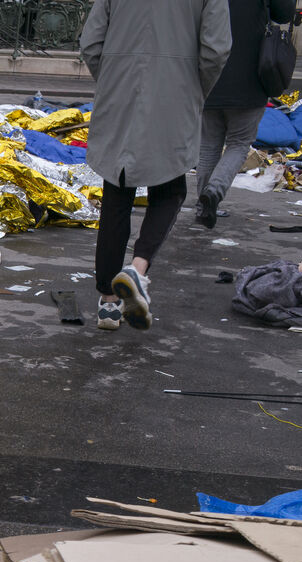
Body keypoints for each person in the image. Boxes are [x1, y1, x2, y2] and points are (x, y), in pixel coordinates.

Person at [80, 0, 231, 331]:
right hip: (175, 90)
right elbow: (216, 50)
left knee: (117, 189)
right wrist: (194, 91)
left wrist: (112, 79)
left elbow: (90, 43)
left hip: (119, 89)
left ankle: (108, 301)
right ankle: (137, 268)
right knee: (170, 188)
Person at [196, 0, 293, 228]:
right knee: (239, 143)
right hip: (250, 80)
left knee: (208, 145)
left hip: (210, 76)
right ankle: (213, 192)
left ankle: (203, 207)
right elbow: (284, 13)